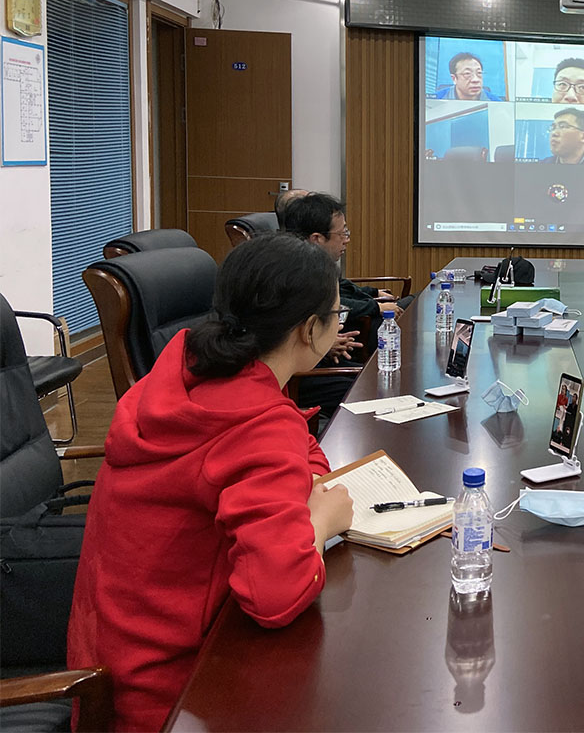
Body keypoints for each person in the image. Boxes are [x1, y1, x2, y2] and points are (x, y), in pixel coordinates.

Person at [66, 233, 356, 731]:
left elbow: (300, 444)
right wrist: (318, 519)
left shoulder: (186, 367)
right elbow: (275, 596)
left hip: (106, 665)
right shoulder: (257, 425)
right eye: (338, 316)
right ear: (311, 330)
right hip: (173, 697)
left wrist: (300, 475)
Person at [279, 192, 406, 324]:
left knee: (411, 304)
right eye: (342, 233)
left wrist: (373, 293)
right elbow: (330, 303)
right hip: (343, 332)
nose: (347, 240)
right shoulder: (294, 270)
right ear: (317, 238)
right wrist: (376, 307)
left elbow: (341, 287)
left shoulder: (317, 262)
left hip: (343, 327)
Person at [435, 52, 504, 101]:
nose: (475, 80)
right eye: (467, 74)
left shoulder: (495, 102)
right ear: (454, 78)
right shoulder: (436, 100)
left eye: (479, 73)